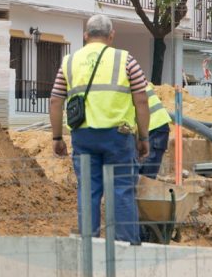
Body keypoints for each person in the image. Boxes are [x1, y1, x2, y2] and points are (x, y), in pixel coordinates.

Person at [49, 14, 150, 245]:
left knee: (89, 191)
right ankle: (125, 249)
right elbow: (141, 101)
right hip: (119, 137)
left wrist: (57, 137)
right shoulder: (126, 60)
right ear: (111, 36)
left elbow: (56, 100)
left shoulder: (69, 62)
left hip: (83, 137)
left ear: (85, 36)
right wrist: (144, 137)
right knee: (122, 191)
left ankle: (89, 247)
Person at [138, 82, 172, 179]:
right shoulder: (129, 71)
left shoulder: (124, 76)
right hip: (151, 127)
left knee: (146, 176)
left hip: (155, 127)